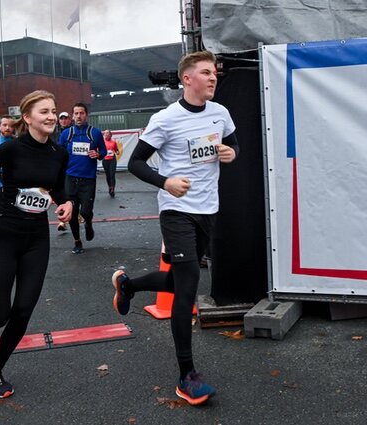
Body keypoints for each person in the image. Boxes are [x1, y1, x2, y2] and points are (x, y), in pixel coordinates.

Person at [110, 50, 238, 406]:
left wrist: (231, 153)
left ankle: (129, 284)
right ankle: (187, 376)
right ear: (187, 79)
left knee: (183, 280)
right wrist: (165, 182)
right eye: (205, 73)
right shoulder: (166, 119)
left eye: (214, 73)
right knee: (187, 292)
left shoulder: (220, 113)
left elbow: (233, 144)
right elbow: (135, 162)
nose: (213, 78)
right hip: (176, 210)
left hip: (207, 209)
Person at [0, 90, 72, 398]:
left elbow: (58, 188)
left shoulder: (58, 153)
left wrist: (66, 203)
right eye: (43, 111)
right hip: (5, 234)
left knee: (23, 309)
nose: (51, 116)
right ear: (27, 117)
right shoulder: (10, 149)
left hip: (37, 237)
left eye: (53, 110)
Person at [58, 103, 105, 253]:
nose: (78, 116)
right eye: (76, 113)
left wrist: (98, 154)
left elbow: (103, 151)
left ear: (86, 115)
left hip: (88, 179)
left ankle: (88, 222)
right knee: (72, 212)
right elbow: (59, 154)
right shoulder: (66, 134)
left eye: (81, 113)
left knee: (85, 211)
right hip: (70, 178)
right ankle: (77, 242)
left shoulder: (95, 133)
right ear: (73, 116)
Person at [55, 111, 73, 232]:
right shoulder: (56, 133)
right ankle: (62, 221)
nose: (63, 121)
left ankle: (76, 213)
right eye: (61, 119)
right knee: (61, 193)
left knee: (72, 194)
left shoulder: (73, 132)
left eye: (65, 118)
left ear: (69, 120)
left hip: (72, 168)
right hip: (61, 169)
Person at [101, 129, 120, 197]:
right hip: (105, 160)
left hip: (112, 160)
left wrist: (117, 152)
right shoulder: (102, 142)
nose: (106, 135)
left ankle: (112, 189)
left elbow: (116, 150)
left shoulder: (114, 142)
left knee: (112, 175)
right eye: (105, 134)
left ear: (110, 135)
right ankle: (109, 187)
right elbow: (99, 150)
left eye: (107, 133)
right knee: (108, 175)